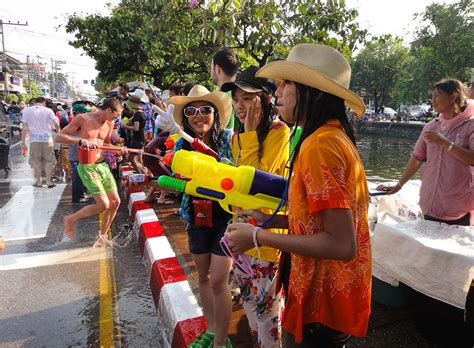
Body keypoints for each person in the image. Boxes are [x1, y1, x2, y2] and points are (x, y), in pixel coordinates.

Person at [225, 44, 371, 347]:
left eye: (286, 83)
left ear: (313, 92)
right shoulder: (328, 136)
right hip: (320, 295)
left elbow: (342, 244)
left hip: (320, 302)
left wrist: (257, 238)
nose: (277, 92)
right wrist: (273, 219)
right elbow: (322, 221)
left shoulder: (321, 145)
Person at [221, 66, 290, 347]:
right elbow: (238, 187)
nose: (240, 105)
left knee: (268, 315)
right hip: (241, 235)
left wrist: (249, 135)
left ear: (265, 99)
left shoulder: (278, 132)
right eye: (236, 98)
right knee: (250, 304)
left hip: (267, 238)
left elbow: (257, 183)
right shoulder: (237, 137)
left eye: (248, 98)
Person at [169, 85, 234, 348]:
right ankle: (211, 329)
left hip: (225, 216)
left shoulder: (228, 139)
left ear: (215, 114)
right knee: (204, 276)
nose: (199, 116)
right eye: (192, 111)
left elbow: (236, 173)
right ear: (185, 118)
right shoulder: (179, 145)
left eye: (205, 110)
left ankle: (220, 341)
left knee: (219, 280)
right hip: (196, 215)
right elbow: (172, 179)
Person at [382, 79, 473, 225]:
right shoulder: (431, 126)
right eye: (432, 96)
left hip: (458, 206)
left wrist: (446, 144)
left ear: (453, 97)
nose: (433, 101)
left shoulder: (470, 125)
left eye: (437, 96)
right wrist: (399, 185)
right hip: (430, 203)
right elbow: (416, 158)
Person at [55, 98, 124, 247]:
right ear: (108, 110)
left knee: (115, 202)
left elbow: (106, 144)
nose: (117, 118)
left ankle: (102, 237)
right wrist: (79, 141)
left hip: (102, 165)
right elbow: (59, 137)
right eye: (116, 115)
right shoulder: (82, 119)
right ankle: (70, 219)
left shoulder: (110, 124)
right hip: (87, 166)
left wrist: (118, 150)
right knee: (103, 204)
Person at [21, 96, 60, 188]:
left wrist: (23, 142)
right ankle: (49, 182)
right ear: (44, 102)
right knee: (49, 161)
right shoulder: (48, 110)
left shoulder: (26, 111)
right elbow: (56, 123)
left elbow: (24, 127)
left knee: (36, 161)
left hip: (34, 139)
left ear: (35, 102)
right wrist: (59, 132)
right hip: (48, 139)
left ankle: (39, 182)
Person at [211, 47, 238, 130]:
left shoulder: (221, 98)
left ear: (217, 69)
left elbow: (229, 133)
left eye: (211, 68)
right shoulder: (241, 94)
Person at [124, 89, 148, 174]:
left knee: (132, 158)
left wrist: (125, 126)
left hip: (137, 139)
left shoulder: (137, 114)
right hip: (141, 138)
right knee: (139, 158)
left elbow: (136, 128)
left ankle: (141, 175)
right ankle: (144, 175)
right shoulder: (140, 113)